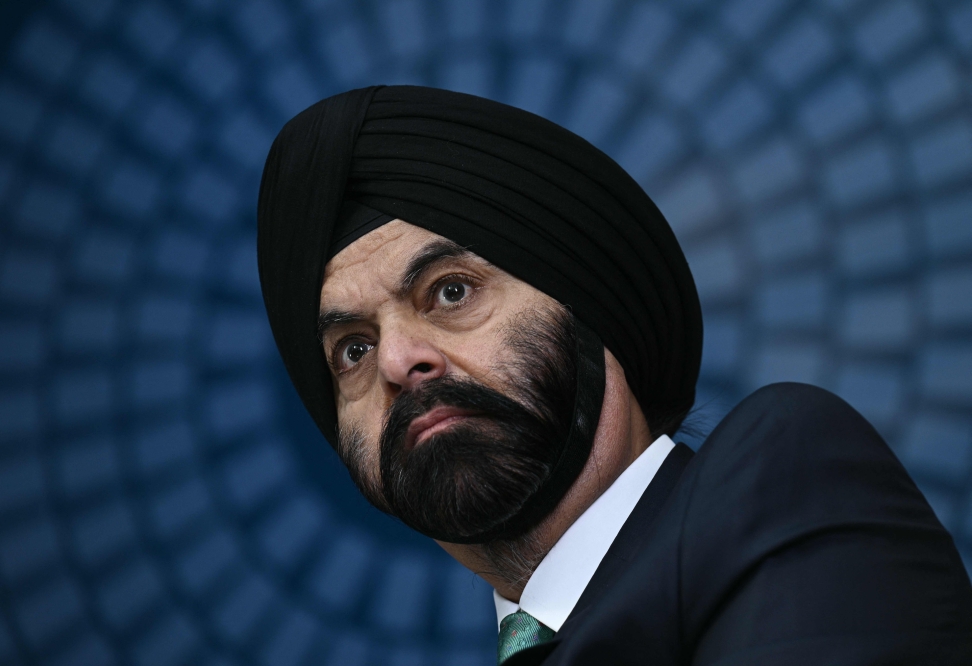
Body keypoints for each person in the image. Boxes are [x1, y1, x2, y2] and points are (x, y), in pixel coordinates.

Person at [256, 85, 972, 665]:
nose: (395, 360)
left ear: (588, 306)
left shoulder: (781, 478)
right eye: (350, 348)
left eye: (450, 292)